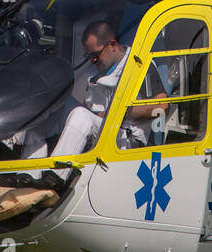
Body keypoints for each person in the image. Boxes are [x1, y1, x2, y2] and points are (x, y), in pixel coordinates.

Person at [11, 20, 166, 162]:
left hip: (125, 137)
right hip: (97, 129)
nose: (92, 60)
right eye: (88, 56)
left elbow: (162, 106)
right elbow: (89, 107)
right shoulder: (95, 70)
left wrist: (118, 112)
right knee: (51, 113)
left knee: (80, 115)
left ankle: (56, 173)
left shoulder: (138, 64)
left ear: (112, 45)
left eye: (95, 55)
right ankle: (29, 173)